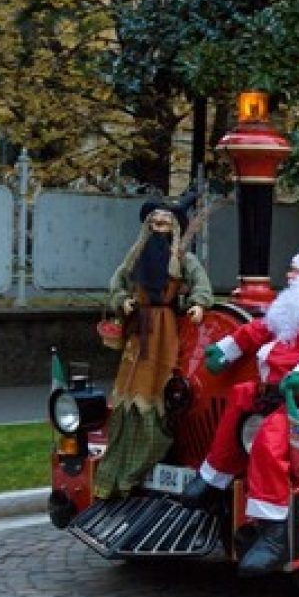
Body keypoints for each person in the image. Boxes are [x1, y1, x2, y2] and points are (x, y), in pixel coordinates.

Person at [182, 249, 299, 577]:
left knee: (270, 439)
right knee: (238, 399)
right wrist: (225, 350)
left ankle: (273, 531)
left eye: (296, 271)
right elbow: (257, 330)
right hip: (271, 394)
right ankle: (212, 480)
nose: (289, 276)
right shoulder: (290, 308)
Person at [93, 193, 214, 499]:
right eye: (155, 222)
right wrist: (124, 301)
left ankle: (143, 462)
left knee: (154, 389)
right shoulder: (135, 256)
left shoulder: (183, 258)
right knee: (128, 391)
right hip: (138, 330)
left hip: (164, 330)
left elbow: (201, 284)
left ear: (173, 227)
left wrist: (198, 304)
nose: (159, 226)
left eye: (164, 222)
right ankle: (118, 472)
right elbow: (116, 284)